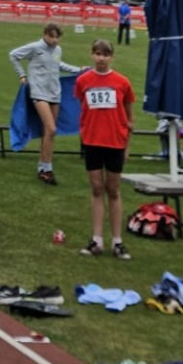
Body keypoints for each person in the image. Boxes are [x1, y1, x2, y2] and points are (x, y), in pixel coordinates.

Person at [73, 38, 136, 258]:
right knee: (97, 189)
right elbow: (83, 107)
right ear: (92, 55)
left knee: (114, 190)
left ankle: (117, 241)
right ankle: (97, 239)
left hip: (115, 142)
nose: (101, 58)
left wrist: (127, 145)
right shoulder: (83, 81)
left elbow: (129, 117)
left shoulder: (122, 82)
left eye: (106, 55)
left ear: (112, 57)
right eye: (98, 54)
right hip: (92, 142)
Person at [9, 23, 67, 184]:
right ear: (44, 34)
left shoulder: (58, 50)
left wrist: (79, 70)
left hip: (55, 93)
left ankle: (43, 167)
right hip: (39, 92)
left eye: (57, 37)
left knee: (48, 132)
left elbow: (58, 65)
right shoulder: (35, 47)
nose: (54, 40)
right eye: (51, 36)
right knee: (51, 129)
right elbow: (13, 55)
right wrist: (21, 75)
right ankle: (47, 168)